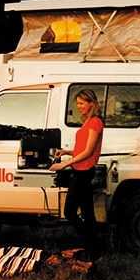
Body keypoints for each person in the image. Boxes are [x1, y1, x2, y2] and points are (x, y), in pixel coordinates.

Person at [50, 88, 104, 252]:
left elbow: (89, 151)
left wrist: (63, 164)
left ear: (91, 103)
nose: (79, 106)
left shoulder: (95, 122)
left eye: (81, 103)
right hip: (81, 169)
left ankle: (89, 243)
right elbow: (83, 149)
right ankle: (94, 246)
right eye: (78, 103)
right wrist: (66, 152)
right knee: (87, 212)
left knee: (69, 212)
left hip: (83, 172)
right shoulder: (88, 121)